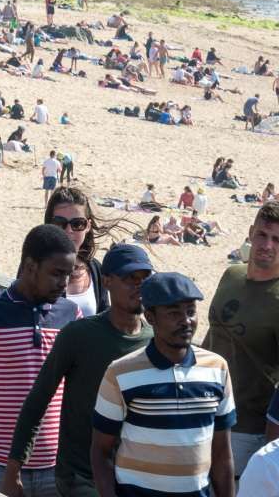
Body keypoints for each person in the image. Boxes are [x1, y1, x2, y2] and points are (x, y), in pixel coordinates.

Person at [3, 245, 154, 497]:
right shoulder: (79, 335)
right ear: (107, 281)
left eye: (144, 279)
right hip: (81, 476)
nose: (138, 286)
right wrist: (13, 469)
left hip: (134, 476)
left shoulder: (155, 341)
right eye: (129, 279)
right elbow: (38, 400)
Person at [0, 223, 82, 496]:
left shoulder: (72, 315)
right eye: (56, 273)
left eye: (68, 275)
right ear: (30, 265)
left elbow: (78, 390)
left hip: (55, 469)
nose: (63, 283)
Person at [93, 273, 236, 497]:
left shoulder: (217, 369)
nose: (186, 321)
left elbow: (222, 454)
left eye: (190, 311)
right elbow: (101, 452)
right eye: (174, 313)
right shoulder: (120, 372)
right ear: (150, 317)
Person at [203, 200, 279, 478]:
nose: (267, 245)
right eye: (262, 234)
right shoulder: (231, 274)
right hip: (204, 411)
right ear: (250, 233)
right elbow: (213, 335)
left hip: (246, 429)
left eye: (276, 239)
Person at [46, 186, 109, 318]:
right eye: (59, 223)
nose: (69, 230)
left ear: (88, 226)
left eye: (77, 224)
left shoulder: (95, 269)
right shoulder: (37, 267)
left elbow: (104, 319)